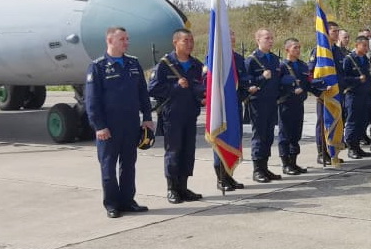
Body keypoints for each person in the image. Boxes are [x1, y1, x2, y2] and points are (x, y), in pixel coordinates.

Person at [85, 27, 155, 218]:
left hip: (131, 124)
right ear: (110, 40)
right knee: (108, 167)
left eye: (127, 39)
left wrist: (147, 118)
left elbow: (143, 93)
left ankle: (127, 201)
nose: (126, 42)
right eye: (122, 39)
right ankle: (112, 204)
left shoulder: (133, 63)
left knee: (129, 165)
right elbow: (92, 101)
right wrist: (99, 126)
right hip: (108, 127)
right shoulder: (98, 67)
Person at [148, 28, 207, 204]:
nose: (190, 44)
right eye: (185, 41)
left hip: (191, 115)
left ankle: (183, 186)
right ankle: (172, 188)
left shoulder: (196, 65)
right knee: (174, 151)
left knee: (188, 152)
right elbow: (152, 88)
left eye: (191, 41)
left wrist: (202, 97)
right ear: (175, 43)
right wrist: (175, 87)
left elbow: (198, 87)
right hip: (172, 115)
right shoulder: (165, 65)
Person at [245, 28, 283, 182]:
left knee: (268, 136)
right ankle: (257, 170)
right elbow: (247, 82)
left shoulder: (274, 58)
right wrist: (262, 77)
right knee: (259, 135)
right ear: (258, 40)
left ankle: (265, 167)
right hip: (258, 103)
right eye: (267, 38)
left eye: (271, 38)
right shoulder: (252, 60)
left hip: (271, 101)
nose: (270, 41)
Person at [214, 30, 249, 192]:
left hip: (234, 107)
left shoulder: (238, 59)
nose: (232, 39)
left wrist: (239, 98)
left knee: (234, 139)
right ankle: (221, 178)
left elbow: (243, 83)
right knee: (221, 139)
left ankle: (229, 175)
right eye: (228, 37)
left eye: (233, 37)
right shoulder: (216, 59)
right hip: (221, 108)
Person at [308, 20, 346, 165]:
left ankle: (333, 152)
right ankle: (322, 153)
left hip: (337, 93)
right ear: (326, 33)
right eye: (333, 31)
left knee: (336, 122)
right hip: (325, 94)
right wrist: (321, 87)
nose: (336, 34)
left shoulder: (337, 50)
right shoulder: (319, 51)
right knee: (323, 123)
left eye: (338, 31)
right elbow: (311, 74)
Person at [277, 37, 313, 175]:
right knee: (285, 134)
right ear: (287, 50)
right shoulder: (282, 67)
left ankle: (293, 162)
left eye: (299, 47)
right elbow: (277, 85)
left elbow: (308, 83)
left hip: (299, 104)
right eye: (295, 48)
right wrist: (291, 89)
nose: (298, 50)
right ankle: (286, 164)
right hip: (286, 103)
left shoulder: (303, 66)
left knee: (296, 134)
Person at [341, 35, 371, 159]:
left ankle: (358, 146)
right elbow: (344, 79)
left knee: (363, 120)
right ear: (357, 45)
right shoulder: (349, 59)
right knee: (353, 121)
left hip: (365, 94)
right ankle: (351, 147)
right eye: (364, 45)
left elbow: (369, 75)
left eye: (367, 46)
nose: (366, 48)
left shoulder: (365, 58)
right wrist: (357, 79)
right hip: (353, 95)